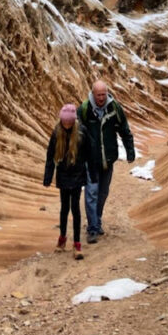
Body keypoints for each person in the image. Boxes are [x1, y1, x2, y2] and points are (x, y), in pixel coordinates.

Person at [78, 80, 135, 244]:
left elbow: (124, 130)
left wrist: (130, 151)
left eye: (104, 94)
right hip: (91, 160)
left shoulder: (114, 108)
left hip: (108, 160)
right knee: (91, 193)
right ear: (93, 94)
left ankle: (97, 219)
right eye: (98, 95)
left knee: (102, 193)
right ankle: (93, 229)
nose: (101, 98)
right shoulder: (84, 110)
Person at [43, 103, 91, 259]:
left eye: (69, 122)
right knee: (64, 207)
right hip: (63, 174)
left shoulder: (82, 132)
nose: (67, 125)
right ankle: (62, 238)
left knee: (75, 208)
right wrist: (48, 177)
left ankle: (77, 243)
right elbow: (50, 155)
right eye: (65, 122)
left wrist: (93, 174)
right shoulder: (57, 133)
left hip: (77, 174)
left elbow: (90, 153)